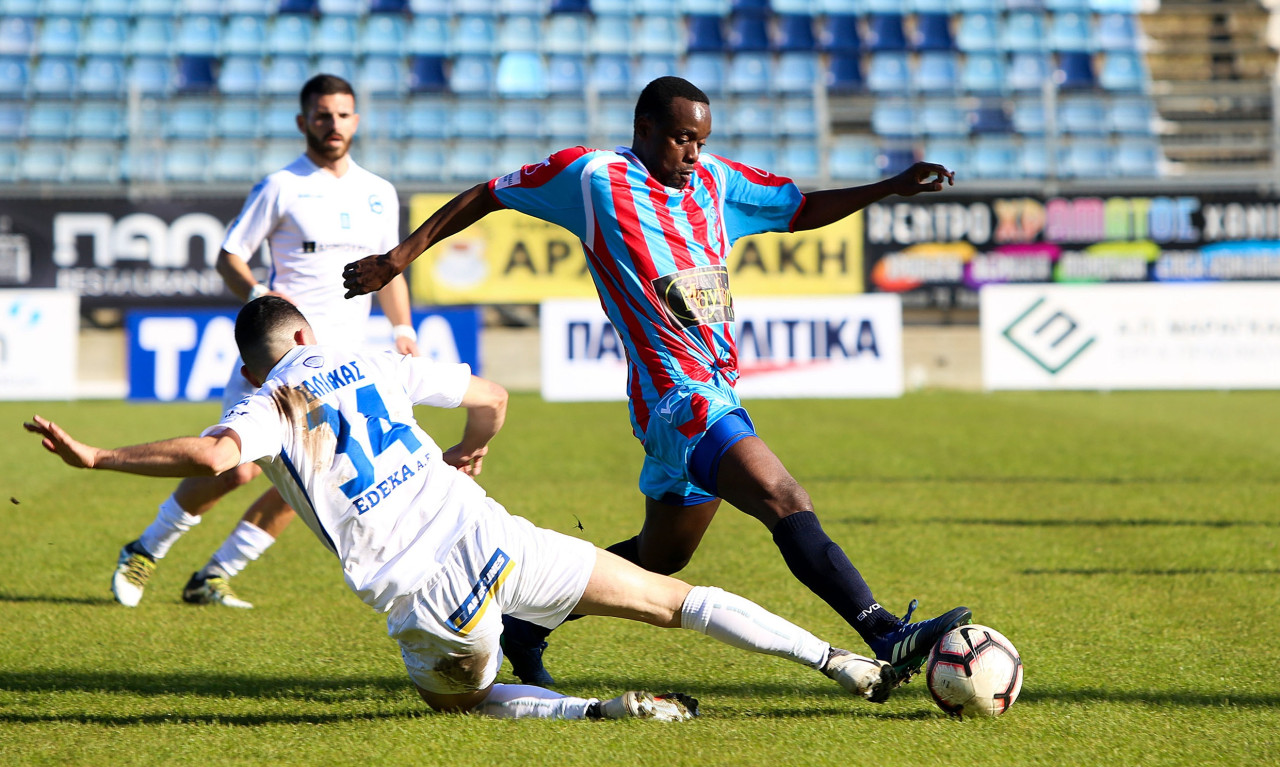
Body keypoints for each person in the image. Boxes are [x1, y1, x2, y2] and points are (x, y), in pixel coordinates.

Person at [342, 76, 972, 689]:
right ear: (643, 130)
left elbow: (801, 209)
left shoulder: (716, 180)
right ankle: (885, 632)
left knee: (662, 556)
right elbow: (488, 193)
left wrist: (890, 186)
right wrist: (398, 259)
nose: (692, 154)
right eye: (679, 140)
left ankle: (522, 623)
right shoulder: (591, 178)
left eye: (699, 140)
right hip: (677, 397)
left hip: (718, 391)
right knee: (784, 496)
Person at [27, 296, 902, 721]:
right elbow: (491, 395)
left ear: (258, 364)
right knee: (671, 599)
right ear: (306, 334)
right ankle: (841, 663)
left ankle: (596, 713)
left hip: (425, 596)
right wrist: (472, 443)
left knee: (460, 704)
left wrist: (97, 454)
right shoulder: (369, 359)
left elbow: (215, 456)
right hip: (492, 532)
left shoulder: (267, 402)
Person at [111, 74, 418, 610]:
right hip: (278, 358)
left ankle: (215, 575)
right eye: (322, 115)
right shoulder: (282, 186)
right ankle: (145, 548)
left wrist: (403, 330)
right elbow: (229, 254)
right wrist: (257, 294)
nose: (333, 125)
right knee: (238, 466)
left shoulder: (379, 193)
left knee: (317, 476)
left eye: (343, 115)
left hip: (343, 364)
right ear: (303, 122)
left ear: (357, 121)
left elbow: (389, 270)